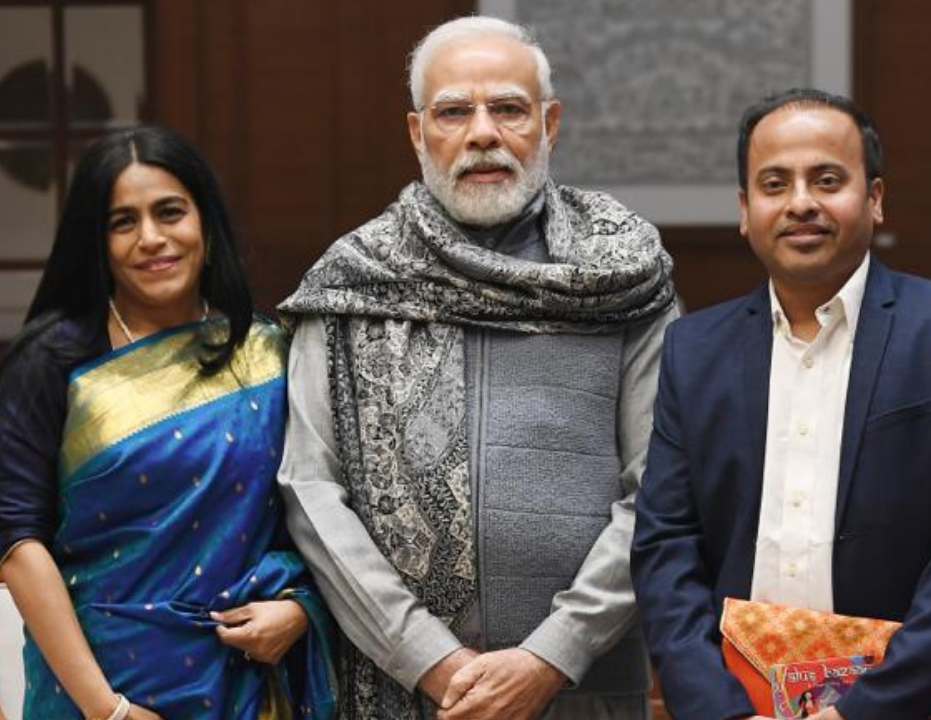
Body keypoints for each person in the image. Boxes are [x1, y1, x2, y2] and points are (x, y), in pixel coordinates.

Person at [277, 16, 678, 720]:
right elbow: (310, 488)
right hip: (403, 690)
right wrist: (430, 661)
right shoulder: (354, 280)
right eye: (454, 111)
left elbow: (662, 488)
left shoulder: (623, 274)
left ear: (549, 124)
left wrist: (552, 654)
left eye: (510, 109)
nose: (483, 133)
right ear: (416, 133)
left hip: (584, 689)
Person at [631, 88, 931, 720]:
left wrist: (861, 711)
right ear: (744, 208)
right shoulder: (694, 348)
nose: (801, 203)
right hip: (742, 705)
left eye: (827, 180)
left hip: (918, 704)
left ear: (873, 199)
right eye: (774, 183)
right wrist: (717, 710)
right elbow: (666, 545)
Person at [0, 125, 336, 720]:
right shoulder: (52, 362)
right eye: (123, 222)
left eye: (169, 212)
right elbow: (20, 542)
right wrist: (108, 709)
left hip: (250, 677)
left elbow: (315, 509)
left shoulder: (266, 351)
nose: (151, 238)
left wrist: (303, 609)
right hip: (106, 682)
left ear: (204, 221)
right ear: (96, 241)